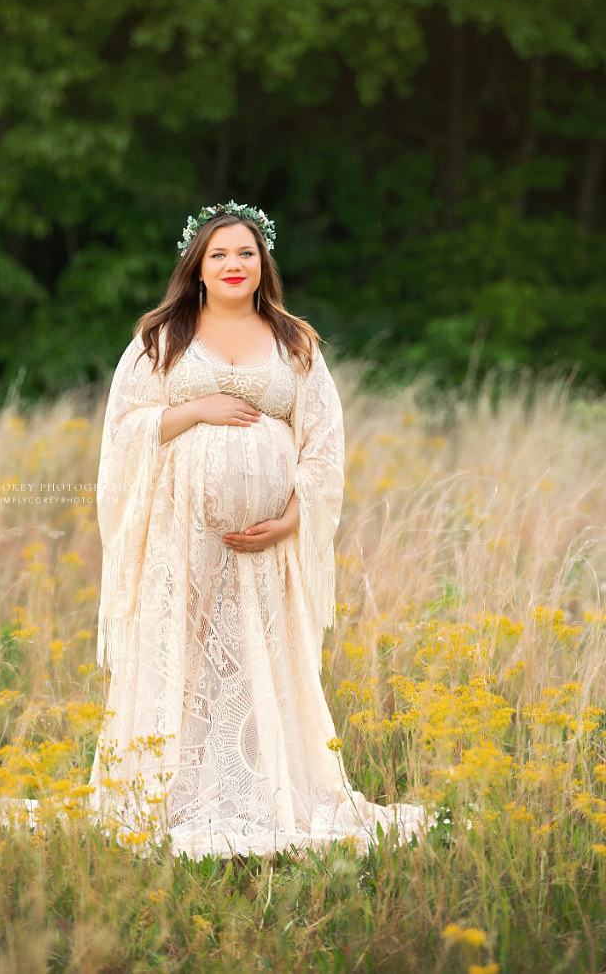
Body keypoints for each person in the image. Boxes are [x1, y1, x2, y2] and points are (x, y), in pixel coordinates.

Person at [87, 200, 430, 859]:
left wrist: (293, 520)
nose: (233, 264)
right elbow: (124, 429)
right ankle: (173, 795)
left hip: (267, 547)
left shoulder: (294, 340)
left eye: (245, 252)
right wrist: (194, 409)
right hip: (177, 539)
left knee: (258, 662)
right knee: (182, 659)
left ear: (262, 261)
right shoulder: (160, 339)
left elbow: (324, 446)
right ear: (197, 268)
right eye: (219, 254)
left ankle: (267, 793)